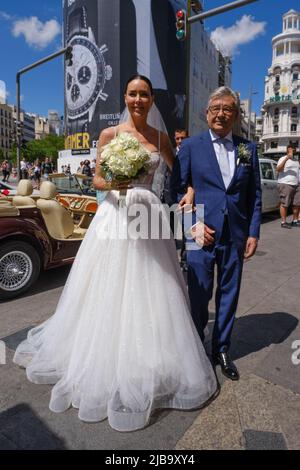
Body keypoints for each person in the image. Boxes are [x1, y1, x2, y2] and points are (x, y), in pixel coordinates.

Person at [13, 75, 217, 432]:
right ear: (125, 97)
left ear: (152, 99)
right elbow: (97, 181)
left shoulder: (160, 138)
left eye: (144, 95)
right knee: (108, 284)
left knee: (155, 283)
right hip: (116, 215)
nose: (138, 100)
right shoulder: (109, 136)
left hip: (150, 216)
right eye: (133, 94)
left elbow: (179, 171)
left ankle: (151, 356)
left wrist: (190, 193)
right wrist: (116, 181)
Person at [171, 86, 262, 381]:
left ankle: (221, 348)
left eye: (228, 109)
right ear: (207, 113)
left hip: (235, 234)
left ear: (235, 115)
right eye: (216, 108)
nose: (221, 113)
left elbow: (255, 195)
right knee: (198, 294)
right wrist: (192, 226)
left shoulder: (248, 149)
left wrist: (253, 232)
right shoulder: (190, 147)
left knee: (229, 295)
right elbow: (176, 192)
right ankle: (196, 346)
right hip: (199, 234)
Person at [276, 144, 300, 228]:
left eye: (294, 149)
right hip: (285, 183)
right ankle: (283, 222)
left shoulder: (296, 160)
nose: (292, 150)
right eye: (290, 149)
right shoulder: (282, 158)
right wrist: (286, 158)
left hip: (296, 184)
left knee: (297, 203)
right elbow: (278, 169)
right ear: (287, 150)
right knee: (284, 203)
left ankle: (295, 221)